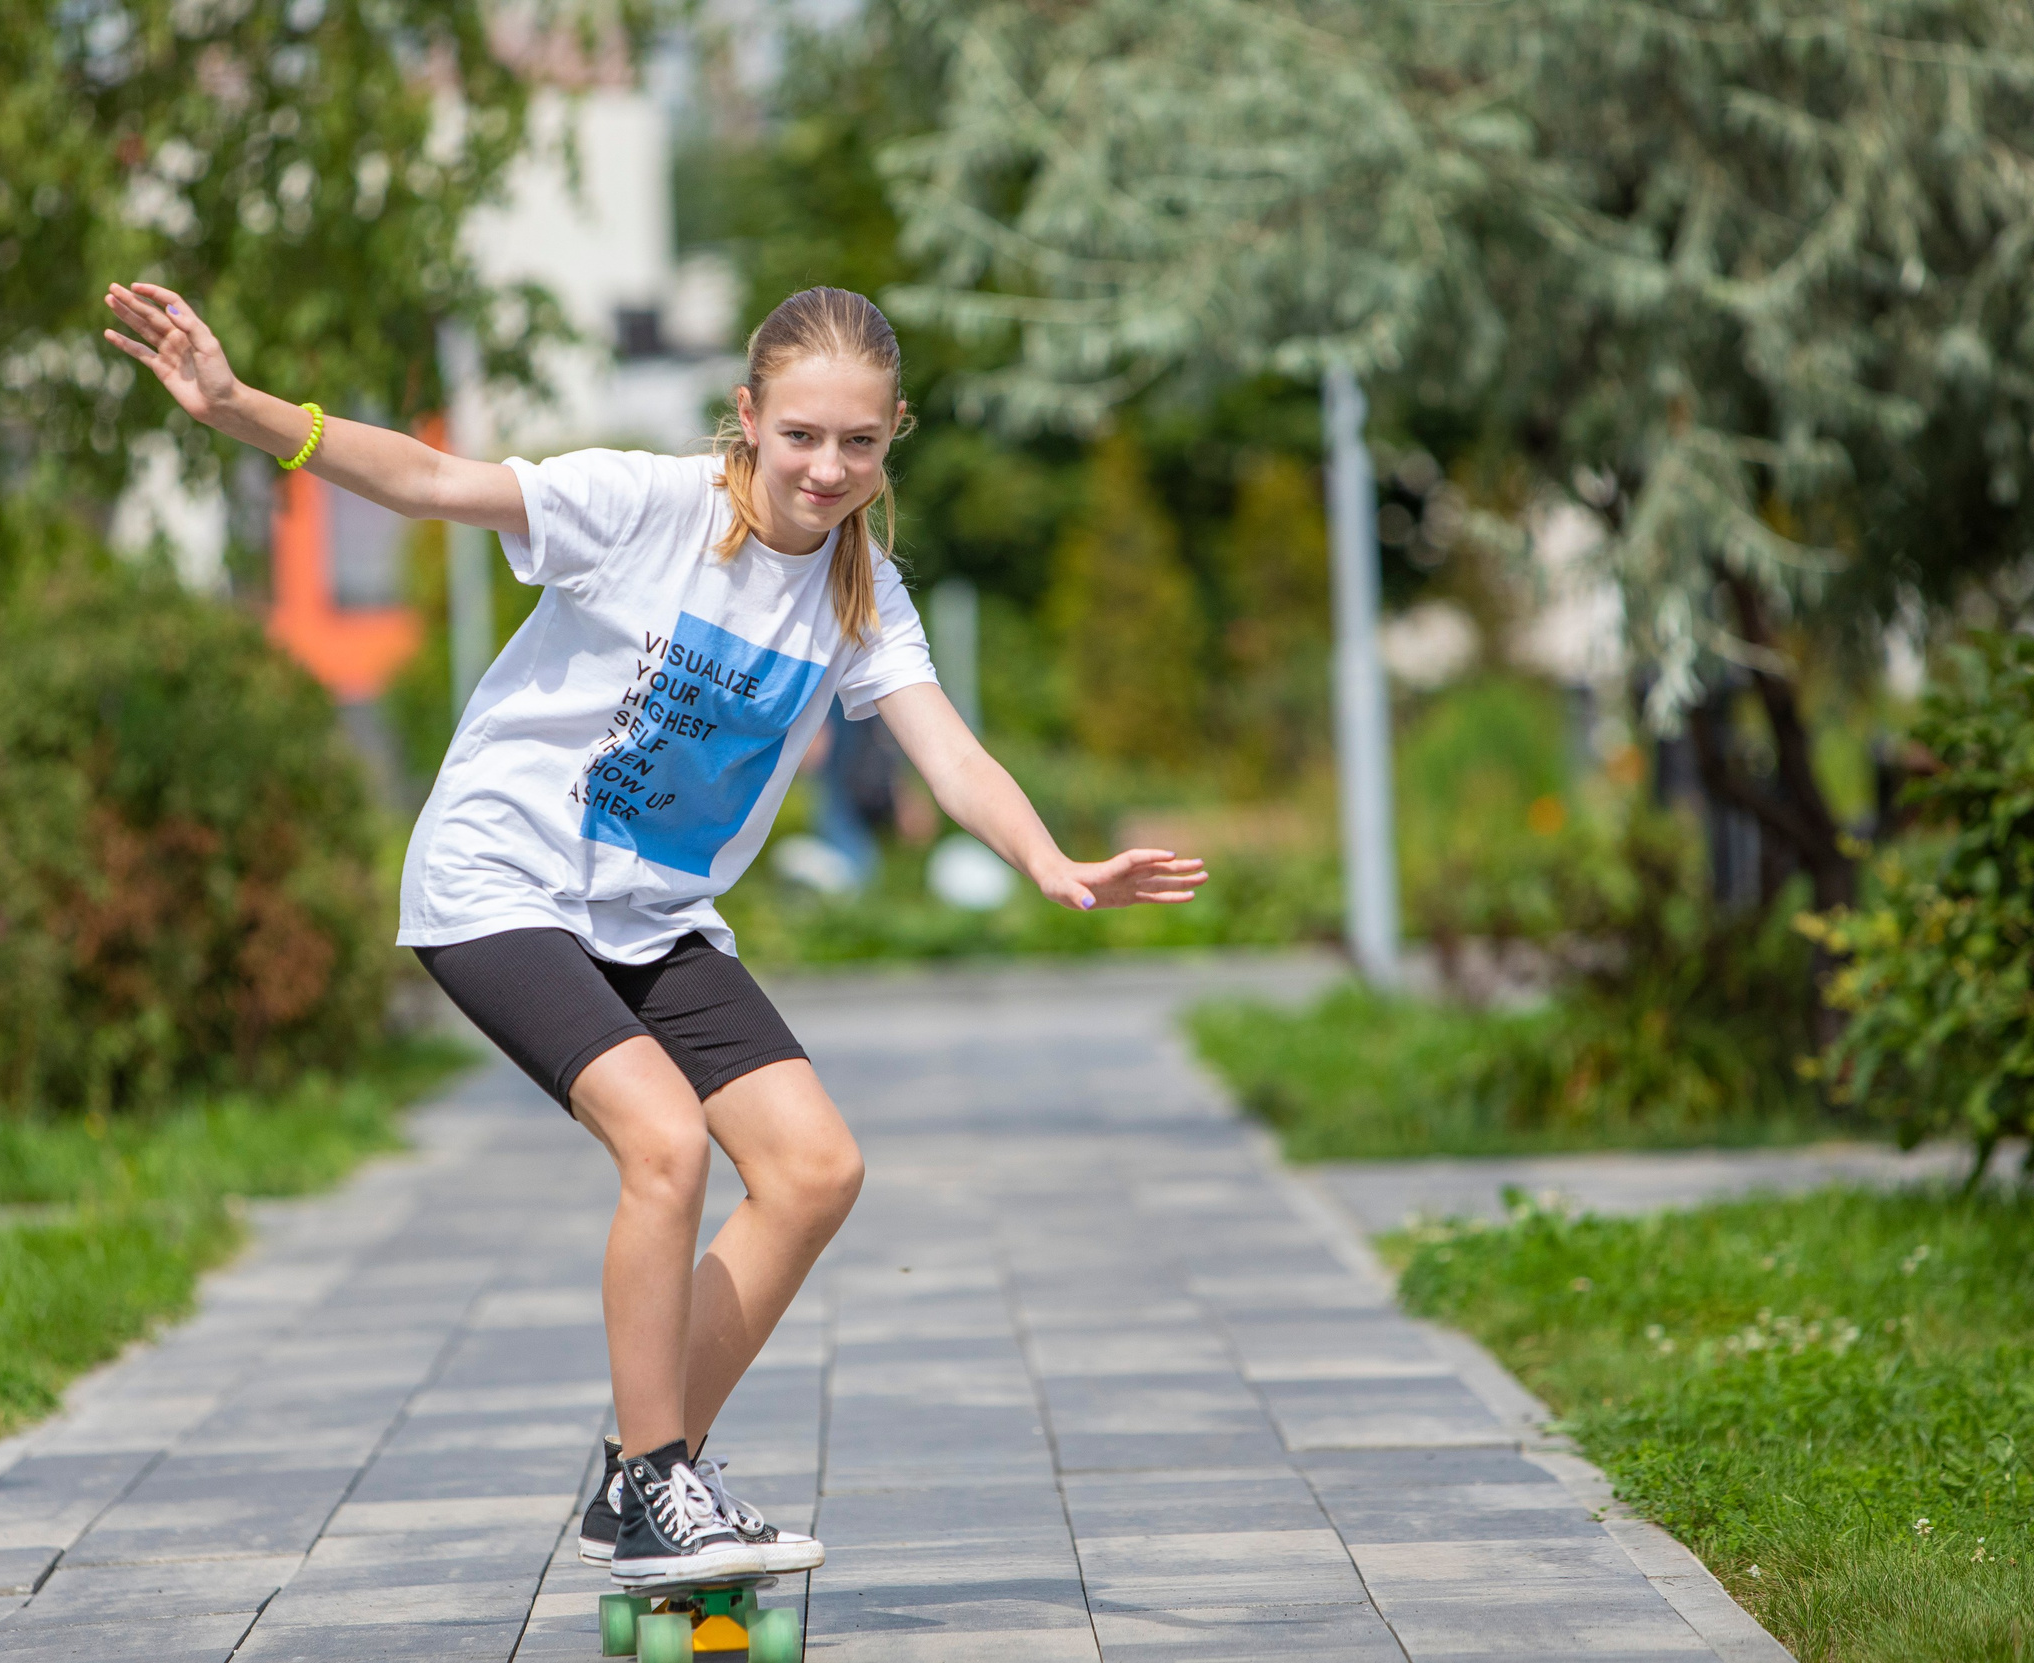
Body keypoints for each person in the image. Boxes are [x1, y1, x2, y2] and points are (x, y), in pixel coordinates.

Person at [103, 281, 1207, 1588]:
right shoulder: (646, 505)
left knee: (812, 1170)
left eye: (860, 441)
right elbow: (430, 483)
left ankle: (644, 1469)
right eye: (800, 435)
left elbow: (948, 753)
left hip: (653, 917)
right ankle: (657, 1482)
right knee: (666, 1142)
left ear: (892, 434)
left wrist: (1051, 862)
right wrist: (242, 410)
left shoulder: (862, 594)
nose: (828, 467)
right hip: (501, 883)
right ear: (746, 418)